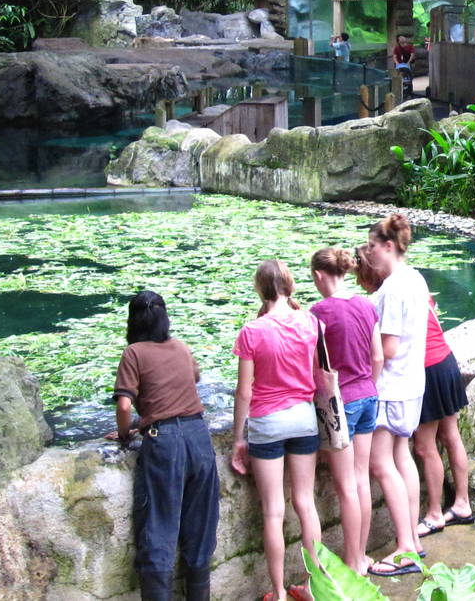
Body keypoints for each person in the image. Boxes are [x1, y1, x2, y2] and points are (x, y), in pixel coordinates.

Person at [109, 291, 219, 601]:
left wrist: (125, 434)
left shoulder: (134, 353)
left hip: (164, 442)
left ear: (133, 320)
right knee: (200, 525)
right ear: (164, 318)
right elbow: (193, 379)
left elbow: (125, 407)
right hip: (198, 435)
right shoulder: (181, 347)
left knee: (158, 526)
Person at [231, 261, 323, 601]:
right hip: (303, 419)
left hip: (267, 424)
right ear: (289, 285)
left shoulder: (252, 331)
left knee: (273, 510)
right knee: (306, 503)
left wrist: (239, 438)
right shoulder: (310, 322)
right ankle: (315, 587)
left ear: (260, 290)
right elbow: (317, 374)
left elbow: (244, 391)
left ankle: (280, 592)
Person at [360, 214, 430, 577]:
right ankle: (414, 539)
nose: (368, 253)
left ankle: (405, 548)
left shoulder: (391, 290)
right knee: (402, 456)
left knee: (379, 464)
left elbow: (386, 348)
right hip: (413, 383)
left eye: (372, 246)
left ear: (388, 246)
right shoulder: (415, 279)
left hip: (390, 387)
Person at [308, 247, 383, 576]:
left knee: (346, 486)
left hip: (342, 404)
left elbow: (312, 365)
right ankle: (362, 555)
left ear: (318, 276)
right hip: (369, 396)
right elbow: (378, 356)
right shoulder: (366, 304)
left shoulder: (319, 312)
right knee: (361, 480)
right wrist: (370, 384)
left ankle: (353, 562)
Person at [412, 290, 475, 540]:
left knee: (425, 447)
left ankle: (434, 515)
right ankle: (462, 504)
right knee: (451, 435)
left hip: (428, 368)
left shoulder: (390, 294)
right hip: (446, 361)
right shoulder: (416, 283)